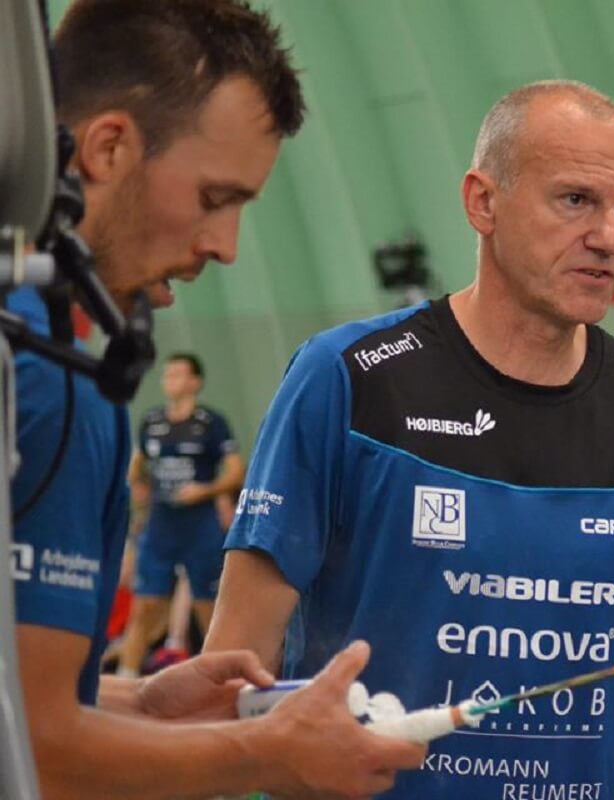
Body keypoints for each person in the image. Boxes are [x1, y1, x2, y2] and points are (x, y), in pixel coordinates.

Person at [205, 79, 614, 798]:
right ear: (483, 201)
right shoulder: (348, 381)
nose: (609, 236)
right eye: (575, 200)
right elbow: (236, 660)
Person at [10, 2, 425, 797]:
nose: (225, 247)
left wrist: (142, 700)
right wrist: (269, 752)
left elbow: (20, 702)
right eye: (213, 198)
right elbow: (38, 750)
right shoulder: (48, 376)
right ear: (108, 147)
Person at [117, 352, 244, 677]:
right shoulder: (151, 421)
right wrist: (138, 485)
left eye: (177, 375)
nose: (170, 381)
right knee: (144, 607)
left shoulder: (211, 423)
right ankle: (126, 680)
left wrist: (206, 490)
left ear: (194, 382)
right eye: (167, 375)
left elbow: (235, 472)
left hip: (200, 526)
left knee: (207, 609)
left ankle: (219, 682)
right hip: (161, 525)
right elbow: (138, 467)